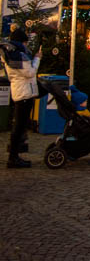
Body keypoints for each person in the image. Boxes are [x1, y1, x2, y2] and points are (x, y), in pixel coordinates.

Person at [1, 28, 42, 168]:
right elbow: (29, 73)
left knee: (18, 126)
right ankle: (13, 158)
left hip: (20, 92)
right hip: (23, 93)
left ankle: (14, 156)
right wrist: (37, 59)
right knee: (18, 127)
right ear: (21, 42)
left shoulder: (11, 54)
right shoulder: (17, 56)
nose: (26, 45)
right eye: (25, 42)